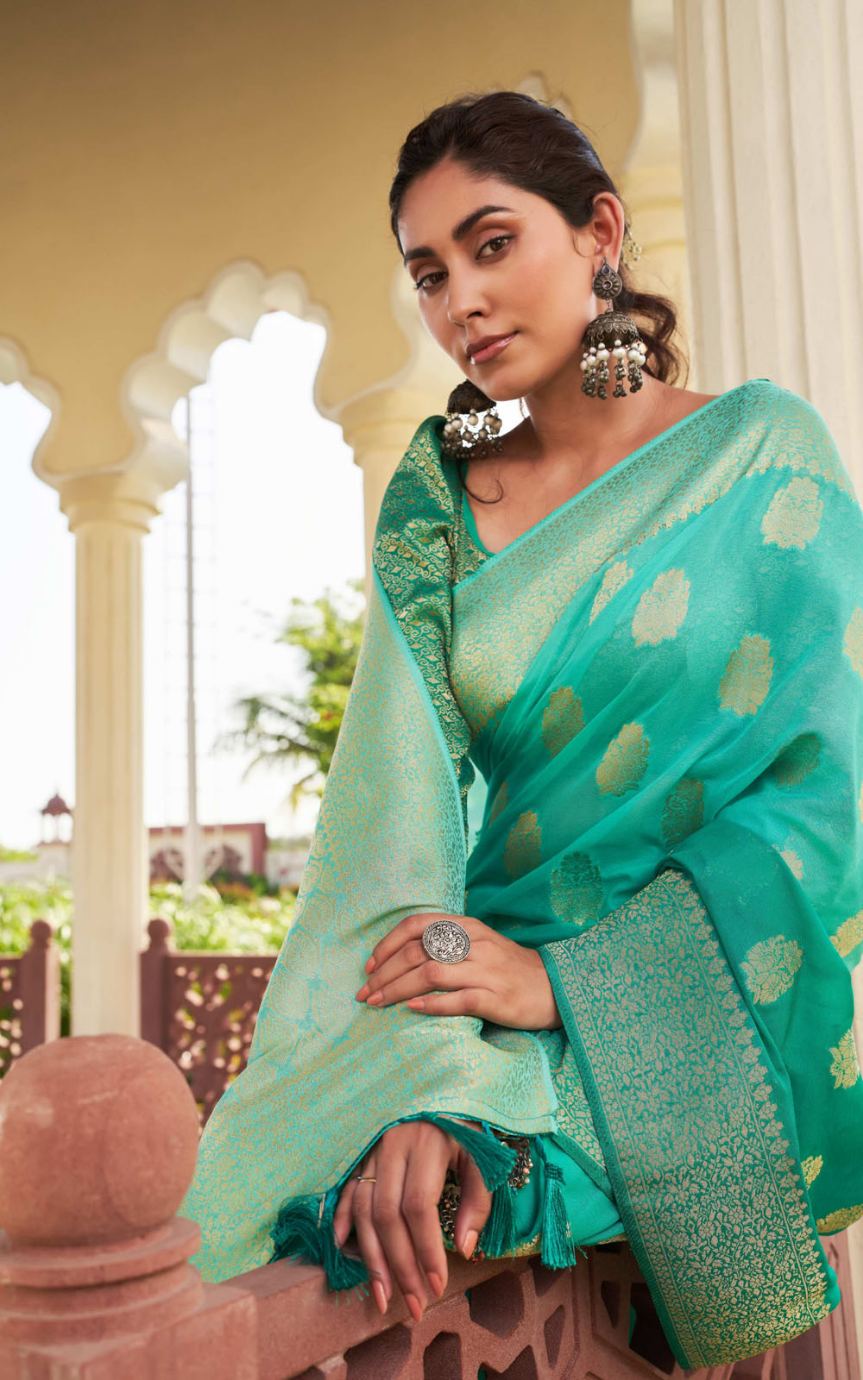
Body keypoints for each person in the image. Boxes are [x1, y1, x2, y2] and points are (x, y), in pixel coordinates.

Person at [178, 91, 863, 1371]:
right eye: (428, 274)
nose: (459, 305)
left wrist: (567, 986)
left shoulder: (759, 454)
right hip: (467, 988)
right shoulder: (443, 477)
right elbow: (389, 823)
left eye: (492, 246)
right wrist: (434, 1057)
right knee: (220, 1230)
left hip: (688, 1007)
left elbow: (826, 793)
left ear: (599, 234)